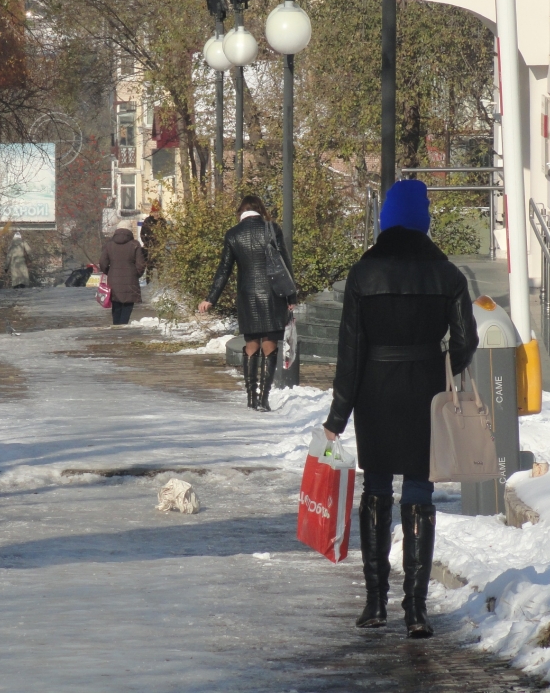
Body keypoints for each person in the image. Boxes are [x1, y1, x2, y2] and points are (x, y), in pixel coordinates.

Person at [322, 179, 478, 638]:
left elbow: (350, 352)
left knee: (376, 489)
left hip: (375, 391)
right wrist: (440, 366)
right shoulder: (448, 275)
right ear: (423, 220)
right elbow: (466, 341)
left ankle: (375, 603)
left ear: (386, 219)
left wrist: (337, 416)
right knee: (419, 491)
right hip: (426, 390)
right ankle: (416, 610)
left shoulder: (363, 274)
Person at [198, 195, 296, 411]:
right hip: (273, 295)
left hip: (247, 296)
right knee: (270, 345)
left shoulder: (233, 234)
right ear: (260, 210)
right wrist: (292, 297)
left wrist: (211, 298)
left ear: (240, 212)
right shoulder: (272, 229)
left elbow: (224, 270)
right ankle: (264, 399)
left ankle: (251, 397)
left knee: (251, 344)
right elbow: (284, 264)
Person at [100, 219, 146, 325]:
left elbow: (102, 262)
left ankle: (116, 327)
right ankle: (123, 327)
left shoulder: (109, 245)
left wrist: (109, 272)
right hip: (131, 281)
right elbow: (141, 264)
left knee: (116, 306)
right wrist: (135, 274)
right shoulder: (135, 244)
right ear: (130, 230)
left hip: (113, 280)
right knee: (127, 306)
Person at [140, 202, 166, 283]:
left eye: (158, 212)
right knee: (149, 266)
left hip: (159, 248)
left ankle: (160, 283)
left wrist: (162, 244)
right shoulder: (148, 221)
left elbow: (165, 235)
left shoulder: (162, 221)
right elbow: (142, 234)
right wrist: (147, 243)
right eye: (155, 212)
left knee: (160, 267)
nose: (156, 214)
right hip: (150, 248)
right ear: (152, 212)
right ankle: (149, 282)